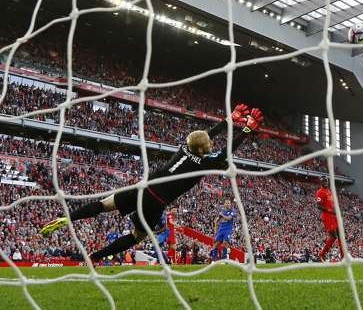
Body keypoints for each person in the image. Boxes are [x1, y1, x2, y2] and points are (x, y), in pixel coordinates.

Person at [40, 104, 264, 262]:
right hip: (156, 203)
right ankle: (95, 257)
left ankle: (66, 218)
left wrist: (228, 120)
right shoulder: (205, 162)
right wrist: (245, 129)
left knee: (102, 205)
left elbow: (203, 136)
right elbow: (225, 152)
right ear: (205, 149)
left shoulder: (184, 149)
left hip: (142, 188)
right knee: (136, 237)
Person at [315, 176, 343, 262]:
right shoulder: (320, 192)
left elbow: (330, 203)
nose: (326, 183)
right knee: (333, 236)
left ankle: (343, 257)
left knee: (341, 236)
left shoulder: (328, 191)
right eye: (324, 181)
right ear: (321, 183)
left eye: (326, 181)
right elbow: (319, 206)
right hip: (328, 217)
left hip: (334, 216)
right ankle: (321, 255)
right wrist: (330, 210)